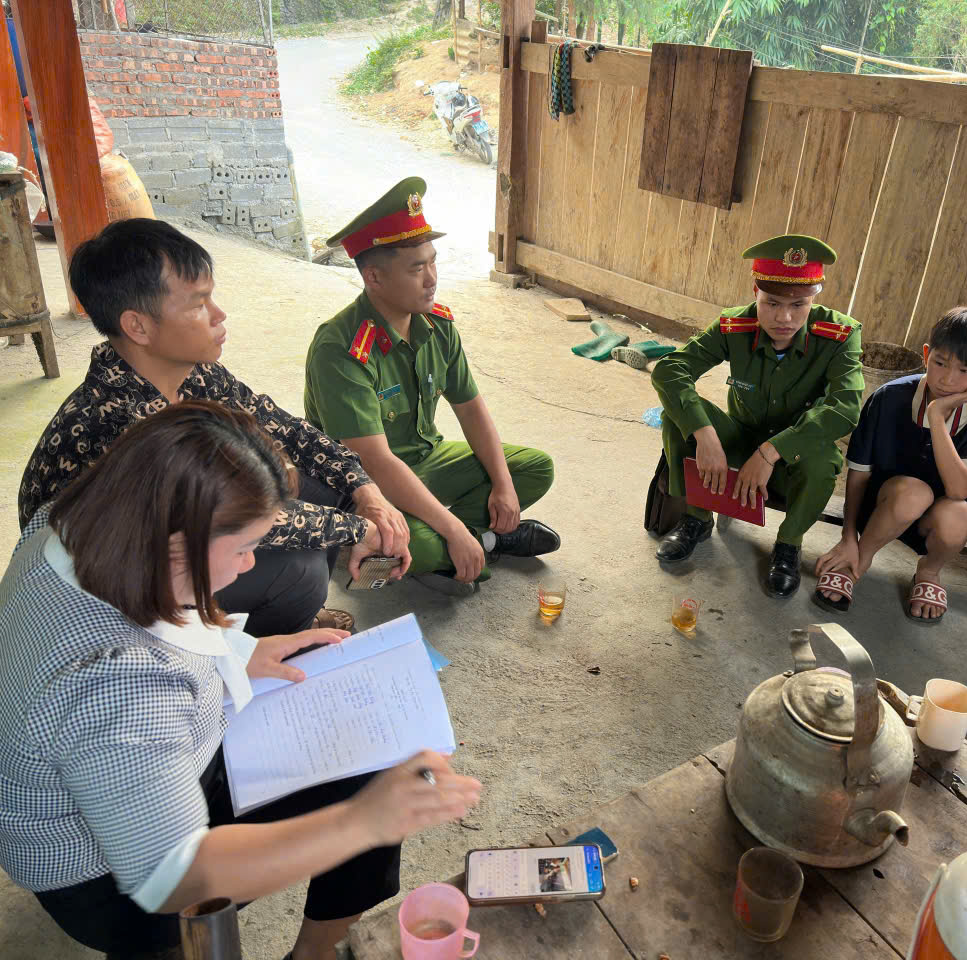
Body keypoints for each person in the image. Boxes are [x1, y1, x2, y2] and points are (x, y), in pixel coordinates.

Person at [0, 401, 482, 960]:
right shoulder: (119, 679)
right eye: (245, 548)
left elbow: (152, 632)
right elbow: (172, 880)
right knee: (370, 780)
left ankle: (313, 952)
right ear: (177, 543)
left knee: (359, 741)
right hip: (109, 879)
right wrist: (364, 822)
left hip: (123, 777)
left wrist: (240, 651)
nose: (251, 565)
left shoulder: (71, 521)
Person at [17, 218, 410, 638]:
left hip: (184, 542)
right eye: (198, 304)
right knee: (300, 567)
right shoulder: (114, 425)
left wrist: (365, 492)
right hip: (115, 595)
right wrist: (358, 529)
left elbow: (287, 430)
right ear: (138, 326)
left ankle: (285, 617)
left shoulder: (195, 374)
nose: (219, 314)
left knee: (325, 487)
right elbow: (230, 519)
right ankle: (255, 652)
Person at [304, 177, 558, 595]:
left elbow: (471, 408)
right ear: (374, 277)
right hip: (361, 488)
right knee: (407, 548)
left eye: (432, 263)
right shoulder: (341, 349)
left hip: (426, 460)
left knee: (533, 468)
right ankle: (483, 543)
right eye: (416, 269)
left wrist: (503, 485)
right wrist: (453, 528)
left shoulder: (437, 325)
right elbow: (376, 463)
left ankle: (460, 547)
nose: (431, 279)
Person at [651, 234, 864, 598]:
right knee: (678, 416)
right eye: (772, 303)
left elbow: (844, 408)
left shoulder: (840, 334)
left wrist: (770, 452)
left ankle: (789, 544)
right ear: (756, 293)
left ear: (814, 299)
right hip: (738, 442)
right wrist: (705, 434)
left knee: (824, 460)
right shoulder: (735, 325)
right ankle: (697, 518)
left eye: (799, 304)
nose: (784, 317)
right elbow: (670, 371)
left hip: (791, 456)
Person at [815, 307, 967, 621]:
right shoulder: (889, 397)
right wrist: (848, 536)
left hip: (931, 520)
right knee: (914, 493)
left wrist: (936, 417)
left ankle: (929, 571)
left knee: (959, 514)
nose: (948, 378)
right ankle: (857, 561)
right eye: (940, 363)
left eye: (965, 370)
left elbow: (959, 490)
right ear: (927, 355)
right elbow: (859, 475)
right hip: (880, 509)